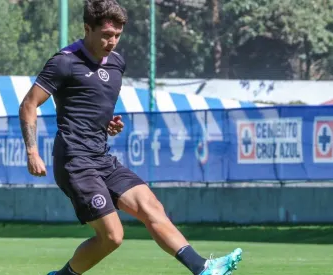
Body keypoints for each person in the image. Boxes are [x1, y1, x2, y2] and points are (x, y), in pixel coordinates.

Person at [18, 0, 243, 274]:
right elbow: (29, 104)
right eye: (106, 35)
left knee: (152, 207)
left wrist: (106, 124)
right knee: (112, 236)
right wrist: (32, 150)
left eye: (117, 35)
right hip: (74, 162)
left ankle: (203, 268)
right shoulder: (64, 62)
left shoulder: (116, 63)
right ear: (87, 29)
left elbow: (91, 104)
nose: (112, 42)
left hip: (101, 157)